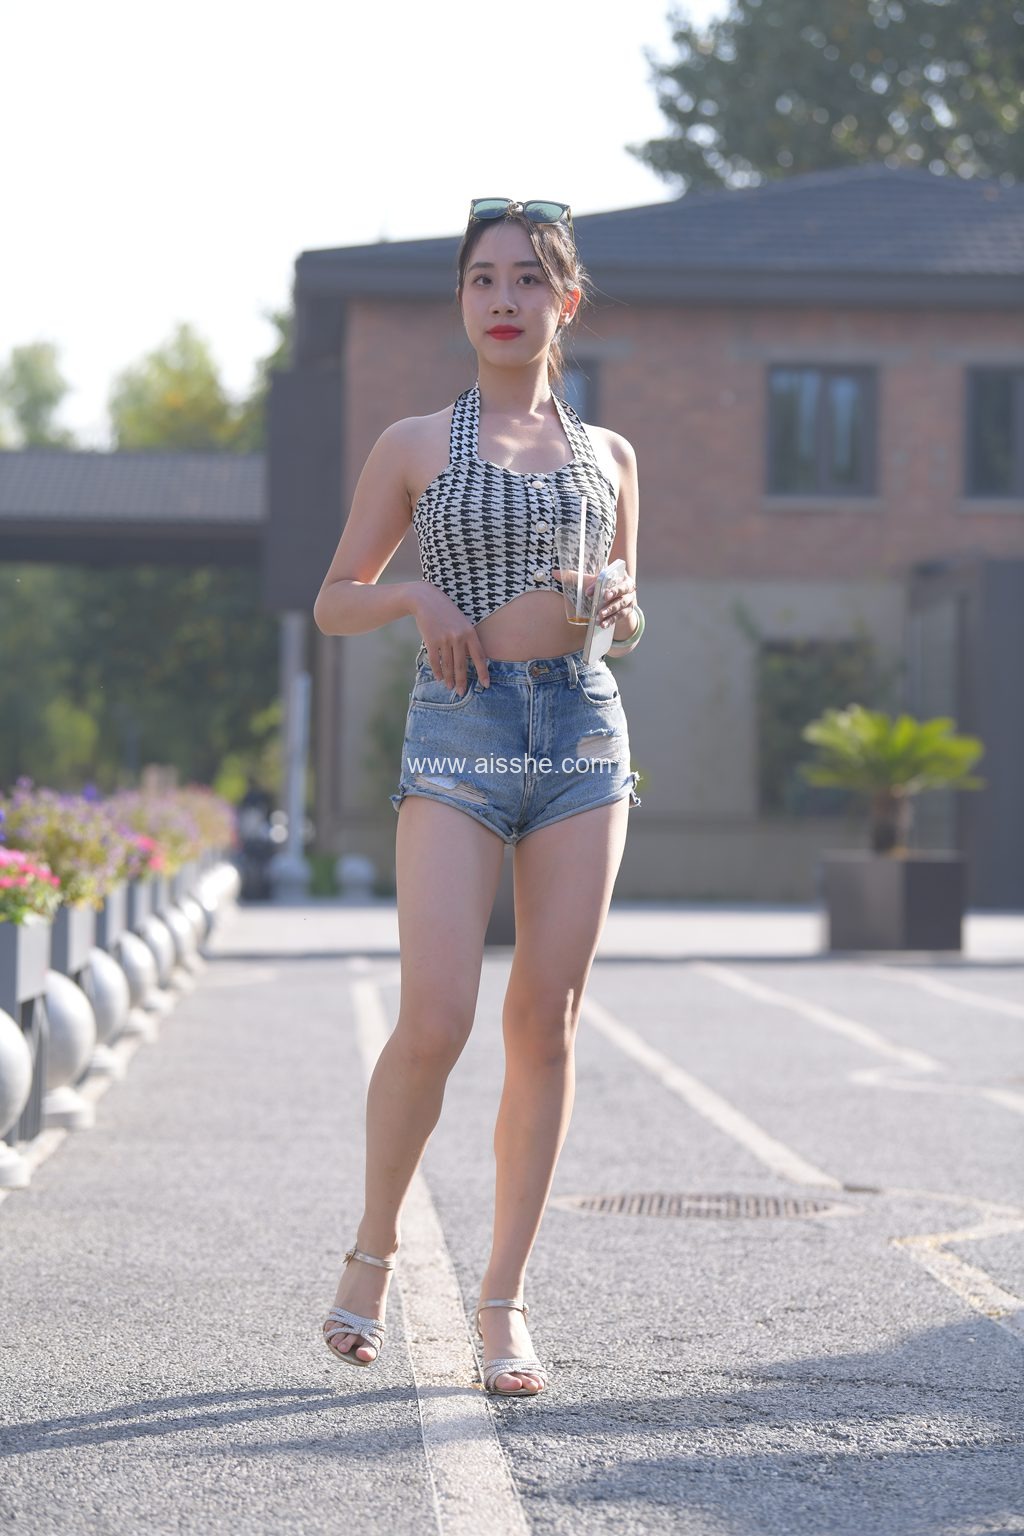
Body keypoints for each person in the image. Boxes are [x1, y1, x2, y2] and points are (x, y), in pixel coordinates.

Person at [312, 197, 646, 1397]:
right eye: (482, 279)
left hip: (581, 734)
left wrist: (620, 605)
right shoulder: (412, 443)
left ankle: (502, 1303)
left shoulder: (610, 457)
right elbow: (335, 600)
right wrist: (415, 597)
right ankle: (372, 1248)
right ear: (462, 299)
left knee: (544, 1021)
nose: (503, 299)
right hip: (461, 732)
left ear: (567, 300)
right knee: (439, 1015)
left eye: (527, 279)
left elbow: (628, 615)